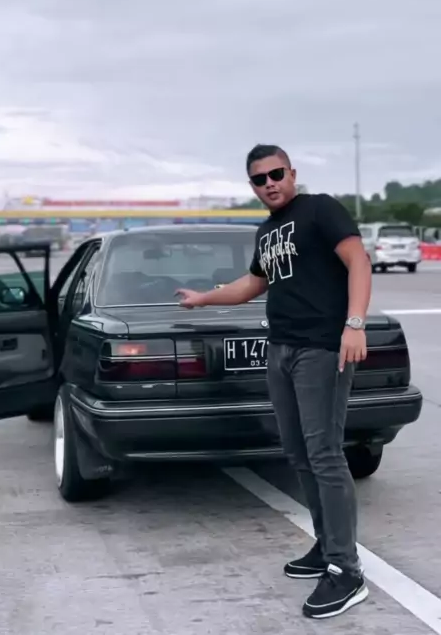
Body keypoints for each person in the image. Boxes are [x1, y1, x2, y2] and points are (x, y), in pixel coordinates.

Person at [176, 144, 372, 620]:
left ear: (292, 172)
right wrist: (203, 299)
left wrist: (354, 323)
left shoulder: (319, 209)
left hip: (322, 348)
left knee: (324, 454)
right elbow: (253, 284)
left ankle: (346, 571)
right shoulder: (266, 231)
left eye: (276, 174)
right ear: (252, 186)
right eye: (260, 179)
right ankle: (326, 546)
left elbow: (359, 261)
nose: (270, 184)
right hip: (281, 349)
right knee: (298, 452)